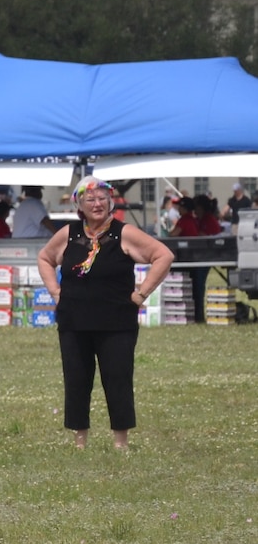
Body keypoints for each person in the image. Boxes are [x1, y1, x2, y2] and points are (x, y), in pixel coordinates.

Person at [37, 177, 173, 450]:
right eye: (90, 199)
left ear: (110, 202)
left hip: (116, 322)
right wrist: (55, 292)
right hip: (74, 320)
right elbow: (45, 258)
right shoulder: (69, 233)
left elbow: (163, 255)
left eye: (102, 199)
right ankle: (79, 441)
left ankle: (120, 442)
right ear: (79, 204)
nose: (97, 204)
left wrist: (141, 294)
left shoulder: (124, 233)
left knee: (117, 378)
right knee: (76, 379)